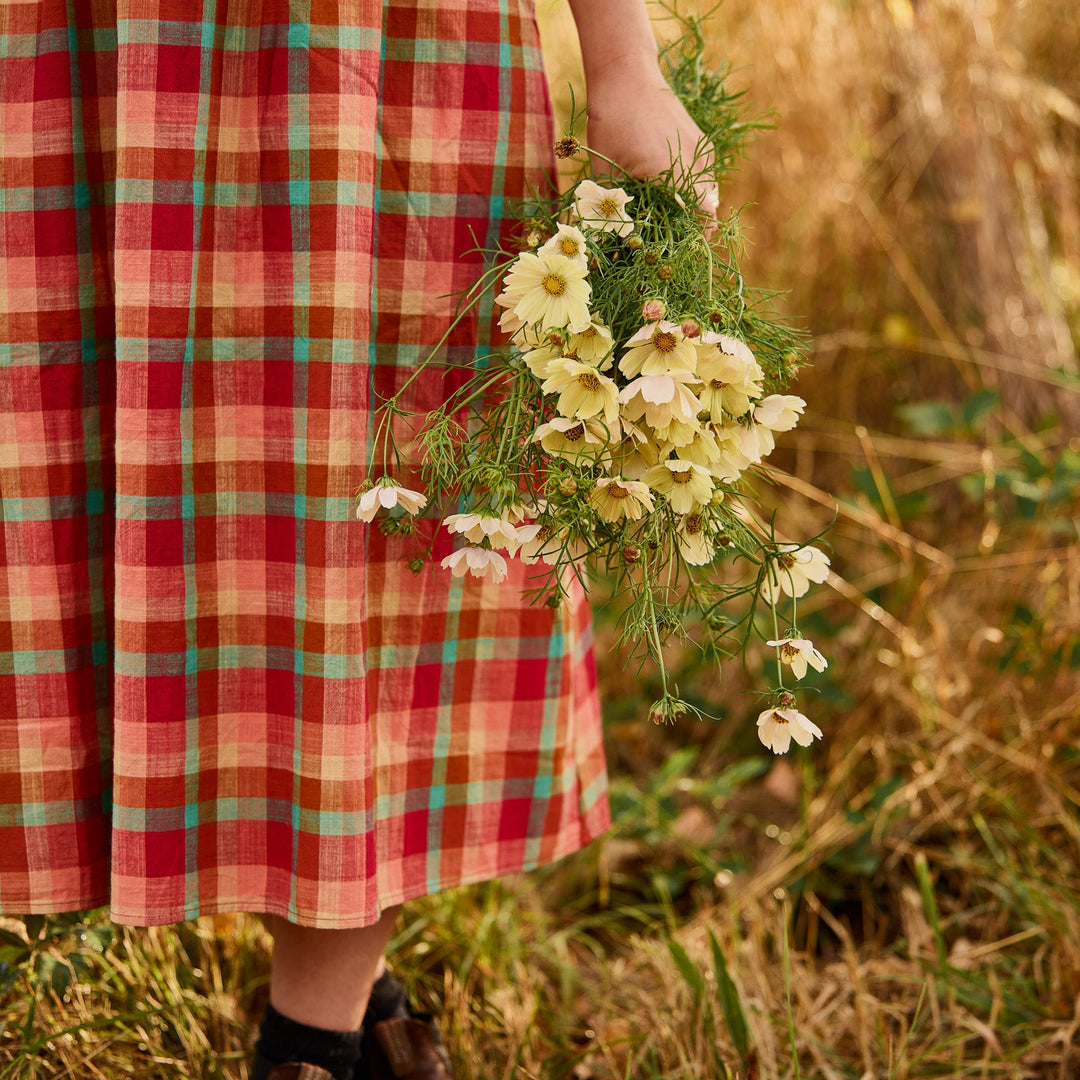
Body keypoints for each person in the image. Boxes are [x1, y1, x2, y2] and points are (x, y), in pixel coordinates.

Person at [0, 1, 713, 1077]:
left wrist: (624, 61)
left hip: (370, 46)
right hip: (71, 37)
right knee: (47, 447)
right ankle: (361, 1035)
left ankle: (317, 1040)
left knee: (358, 518)